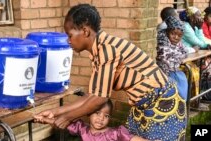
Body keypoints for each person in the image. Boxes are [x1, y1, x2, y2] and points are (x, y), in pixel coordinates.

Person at [34, 4, 186, 141]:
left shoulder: (107, 49)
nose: (68, 41)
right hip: (145, 106)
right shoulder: (98, 51)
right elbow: (92, 96)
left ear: (85, 31)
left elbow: (99, 99)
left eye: (70, 35)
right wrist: (55, 112)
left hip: (162, 105)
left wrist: (67, 117)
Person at [67, 99, 147, 141]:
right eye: (97, 113)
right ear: (88, 113)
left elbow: (131, 138)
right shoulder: (82, 129)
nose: (101, 118)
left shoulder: (114, 133)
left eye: (106, 116)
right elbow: (67, 120)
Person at [156, 16, 188, 100]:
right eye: (173, 34)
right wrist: (178, 56)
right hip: (165, 74)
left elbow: (185, 52)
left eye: (179, 35)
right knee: (172, 93)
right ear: (167, 32)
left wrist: (177, 55)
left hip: (174, 71)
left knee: (183, 84)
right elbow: (166, 56)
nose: (176, 37)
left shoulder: (178, 43)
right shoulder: (162, 42)